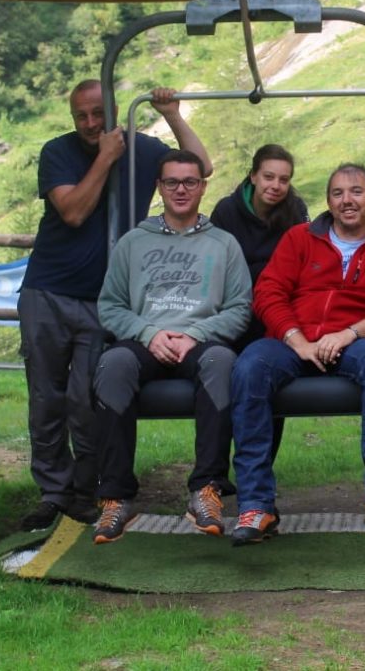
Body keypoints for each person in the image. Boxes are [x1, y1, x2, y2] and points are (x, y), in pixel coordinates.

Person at [17, 80, 211, 531]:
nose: (89, 124)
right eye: (81, 116)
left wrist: (173, 116)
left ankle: (86, 491)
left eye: (97, 114)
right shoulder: (58, 152)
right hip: (48, 290)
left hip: (107, 297)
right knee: (47, 397)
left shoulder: (142, 150)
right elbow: (74, 211)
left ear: (114, 111)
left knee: (88, 399)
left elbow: (201, 167)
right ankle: (52, 492)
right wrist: (105, 156)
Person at [229, 163, 365, 546]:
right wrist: (296, 339)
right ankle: (256, 503)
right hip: (293, 341)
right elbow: (268, 292)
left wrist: (350, 333)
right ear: (328, 202)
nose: (347, 200)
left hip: (353, 343)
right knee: (250, 366)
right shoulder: (300, 239)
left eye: (356, 191)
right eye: (337, 193)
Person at [91, 150, 251, 544]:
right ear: (159, 187)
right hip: (145, 338)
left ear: (203, 187)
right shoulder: (133, 243)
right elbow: (109, 306)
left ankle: (205, 490)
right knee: (112, 366)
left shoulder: (224, 244)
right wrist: (149, 334)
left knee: (221, 362)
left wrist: (196, 334)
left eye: (190, 182)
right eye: (172, 182)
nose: (181, 190)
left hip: (201, 341)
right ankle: (115, 497)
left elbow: (240, 308)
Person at [209, 143, 310, 348]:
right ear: (253, 176)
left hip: (280, 298)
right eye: (268, 177)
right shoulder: (226, 211)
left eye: (284, 180)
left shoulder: (296, 210)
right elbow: (215, 266)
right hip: (237, 299)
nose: (275, 186)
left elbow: (306, 259)